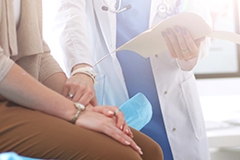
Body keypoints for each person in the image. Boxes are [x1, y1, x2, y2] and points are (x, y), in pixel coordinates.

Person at [48, 0, 212, 159]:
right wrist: (81, 67)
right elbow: (68, 10)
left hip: (173, 100)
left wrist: (191, 52)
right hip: (114, 97)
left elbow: (202, 25)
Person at [0, 0, 164, 160]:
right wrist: (75, 112)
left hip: (15, 98)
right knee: (122, 156)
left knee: (150, 151)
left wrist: (80, 103)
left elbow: (36, 52)